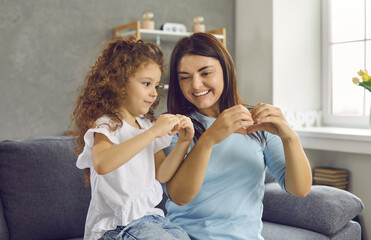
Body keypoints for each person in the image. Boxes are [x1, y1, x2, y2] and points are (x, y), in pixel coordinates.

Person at [163, 32, 313, 240]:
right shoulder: (176, 126)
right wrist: (209, 139)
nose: (196, 85)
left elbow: (300, 189)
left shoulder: (257, 124)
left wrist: (290, 137)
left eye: (205, 73)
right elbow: (179, 196)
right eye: (185, 78)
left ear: (225, 71)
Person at [71, 37, 193, 240]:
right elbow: (102, 163)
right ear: (118, 83)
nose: (154, 93)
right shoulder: (106, 124)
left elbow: (162, 175)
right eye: (146, 84)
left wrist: (183, 141)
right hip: (116, 226)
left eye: (156, 86)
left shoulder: (145, 125)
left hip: (151, 218)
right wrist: (153, 133)